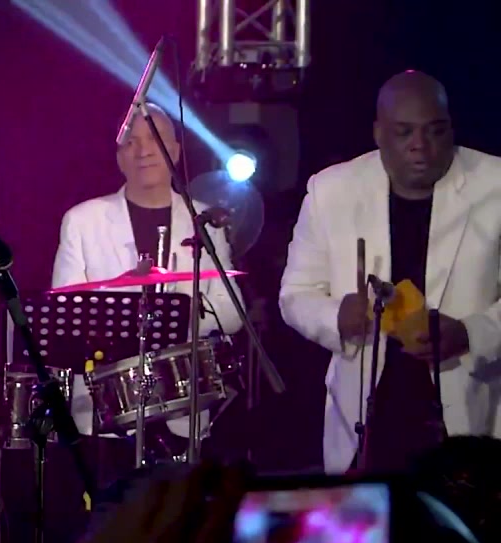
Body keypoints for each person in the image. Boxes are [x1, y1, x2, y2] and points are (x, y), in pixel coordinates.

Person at [280, 70, 501, 474]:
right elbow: (296, 293)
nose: (420, 145)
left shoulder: (495, 185)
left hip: (469, 418)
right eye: (404, 132)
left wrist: (470, 333)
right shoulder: (331, 190)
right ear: (379, 133)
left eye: (435, 131)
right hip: (364, 421)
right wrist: (336, 316)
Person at [51, 105, 244, 480]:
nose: (143, 151)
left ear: (175, 151)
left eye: (154, 140)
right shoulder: (83, 221)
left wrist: (179, 314)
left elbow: (232, 312)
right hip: (106, 410)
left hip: (182, 405)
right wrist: (124, 296)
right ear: (118, 155)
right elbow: (65, 312)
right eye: (131, 142)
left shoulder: (204, 220)